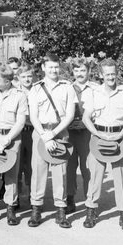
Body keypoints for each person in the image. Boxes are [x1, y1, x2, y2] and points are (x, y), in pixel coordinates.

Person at [82, 58, 123, 231]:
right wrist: (97, 133)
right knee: (96, 176)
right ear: (101, 75)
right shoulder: (94, 92)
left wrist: (121, 133)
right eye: (107, 74)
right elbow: (86, 117)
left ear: (116, 73)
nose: (111, 77)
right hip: (99, 136)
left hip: (118, 137)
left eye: (113, 74)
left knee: (120, 176)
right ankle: (91, 211)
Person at [27, 53, 75, 228]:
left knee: (60, 172)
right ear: (43, 68)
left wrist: (53, 133)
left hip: (60, 132)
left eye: (56, 67)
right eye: (50, 67)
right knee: (38, 172)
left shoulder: (67, 87)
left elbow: (69, 115)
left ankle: (61, 211)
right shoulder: (36, 89)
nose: (54, 70)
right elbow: (33, 116)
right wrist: (44, 136)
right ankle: (36, 209)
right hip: (40, 133)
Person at [0, 65, 27, 225]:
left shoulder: (19, 95)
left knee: (11, 175)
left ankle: (10, 208)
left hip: (12, 137)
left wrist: (7, 139)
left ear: (7, 81)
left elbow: (20, 121)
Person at [65, 58, 97, 213]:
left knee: (88, 167)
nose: (79, 73)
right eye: (76, 70)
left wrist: (86, 123)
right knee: (69, 167)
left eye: (83, 70)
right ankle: (70, 199)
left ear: (89, 71)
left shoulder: (96, 89)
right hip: (69, 132)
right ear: (73, 72)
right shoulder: (67, 88)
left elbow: (100, 111)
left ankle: (90, 200)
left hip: (87, 133)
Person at [16, 62, 35, 203]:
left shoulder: (38, 90)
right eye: (23, 76)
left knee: (32, 164)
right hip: (18, 131)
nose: (27, 79)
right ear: (18, 77)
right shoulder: (14, 91)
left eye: (29, 76)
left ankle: (32, 193)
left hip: (33, 131)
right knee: (16, 164)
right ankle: (15, 195)